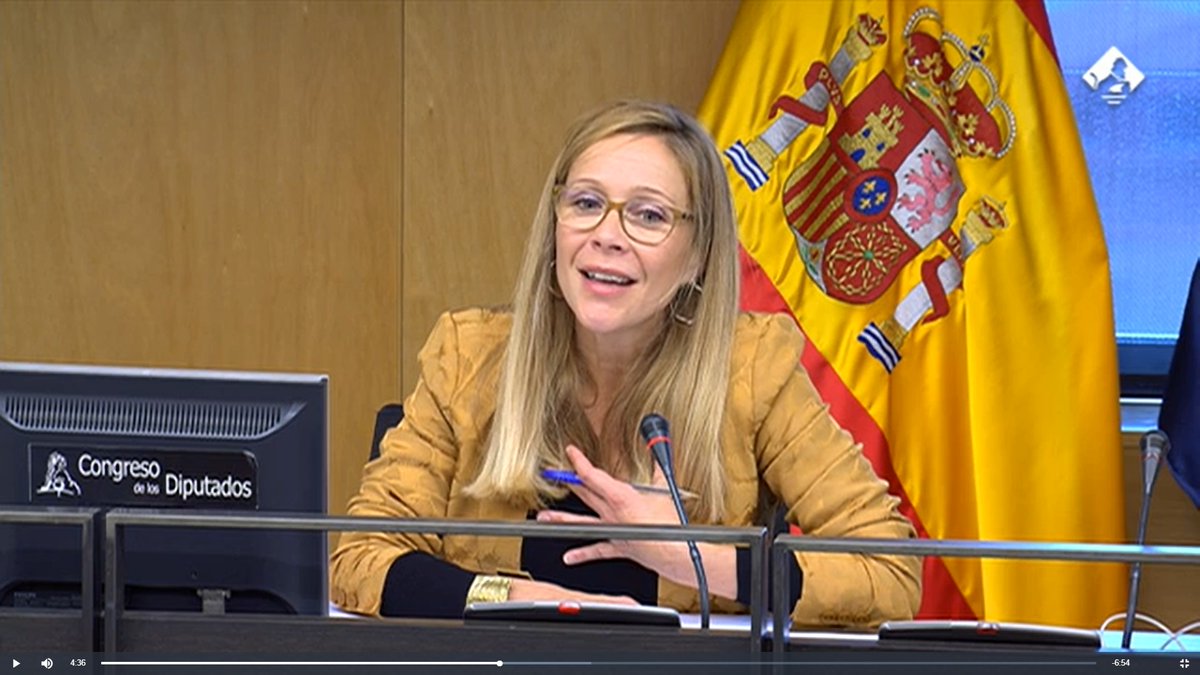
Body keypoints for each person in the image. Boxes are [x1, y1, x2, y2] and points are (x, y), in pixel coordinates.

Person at [330, 100, 921, 627]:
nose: (607, 235)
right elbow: (358, 555)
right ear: (555, 227)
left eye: (649, 215)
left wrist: (691, 558)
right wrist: (529, 599)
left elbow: (890, 572)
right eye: (586, 203)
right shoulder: (470, 357)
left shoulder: (751, 371)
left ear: (698, 256)